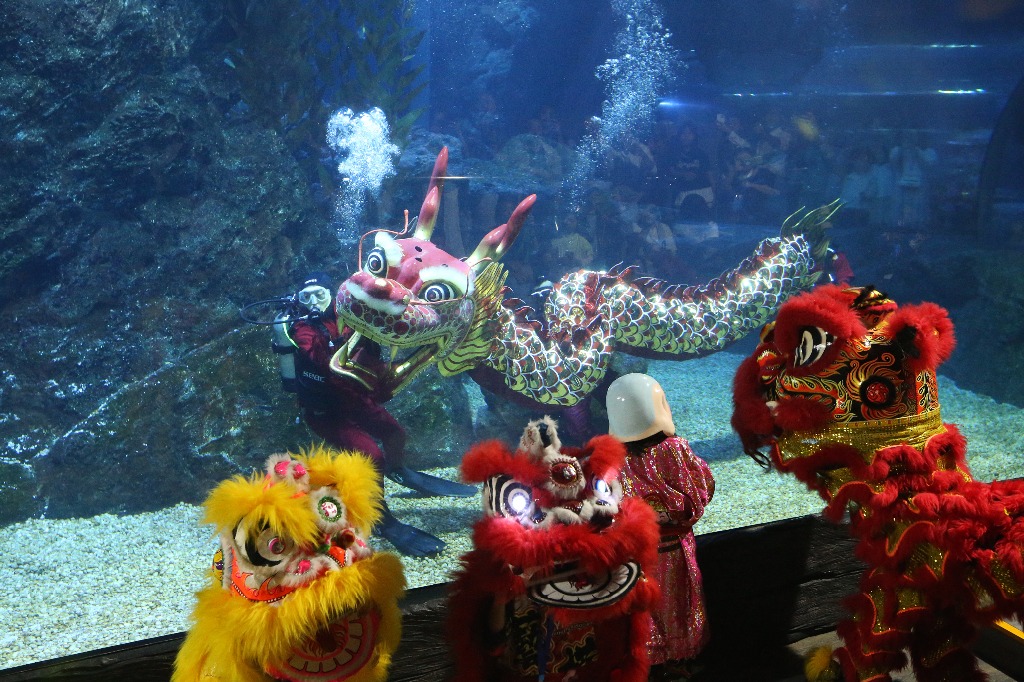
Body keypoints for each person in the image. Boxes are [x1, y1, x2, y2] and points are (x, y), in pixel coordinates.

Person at [284, 272, 454, 557]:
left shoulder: (348, 312)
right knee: (372, 456)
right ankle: (383, 520)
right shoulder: (302, 328)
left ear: (331, 294)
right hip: (326, 411)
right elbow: (317, 358)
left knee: (395, 434)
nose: (314, 302)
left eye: (320, 294)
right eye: (306, 297)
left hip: (354, 398)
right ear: (299, 303)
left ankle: (398, 470)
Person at [606, 373, 716, 678]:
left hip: (637, 552)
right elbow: (702, 487)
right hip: (676, 548)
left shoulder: (615, 459)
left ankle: (650, 660)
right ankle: (683, 660)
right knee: (681, 602)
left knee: (645, 607)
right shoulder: (675, 449)